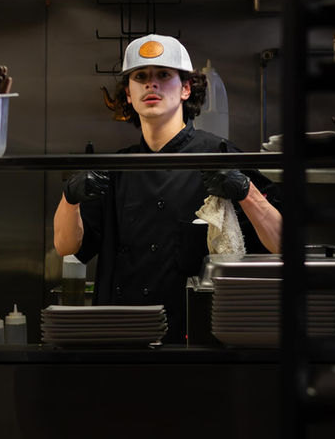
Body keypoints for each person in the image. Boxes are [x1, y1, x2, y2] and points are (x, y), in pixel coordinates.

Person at [54, 34, 282, 343]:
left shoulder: (219, 156)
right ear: (129, 94)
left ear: (186, 89)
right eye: (140, 77)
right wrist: (70, 197)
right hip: (123, 335)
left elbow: (282, 243)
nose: (152, 84)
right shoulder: (116, 168)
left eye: (163, 75)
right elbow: (66, 246)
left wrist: (245, 190)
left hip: (197, 338)